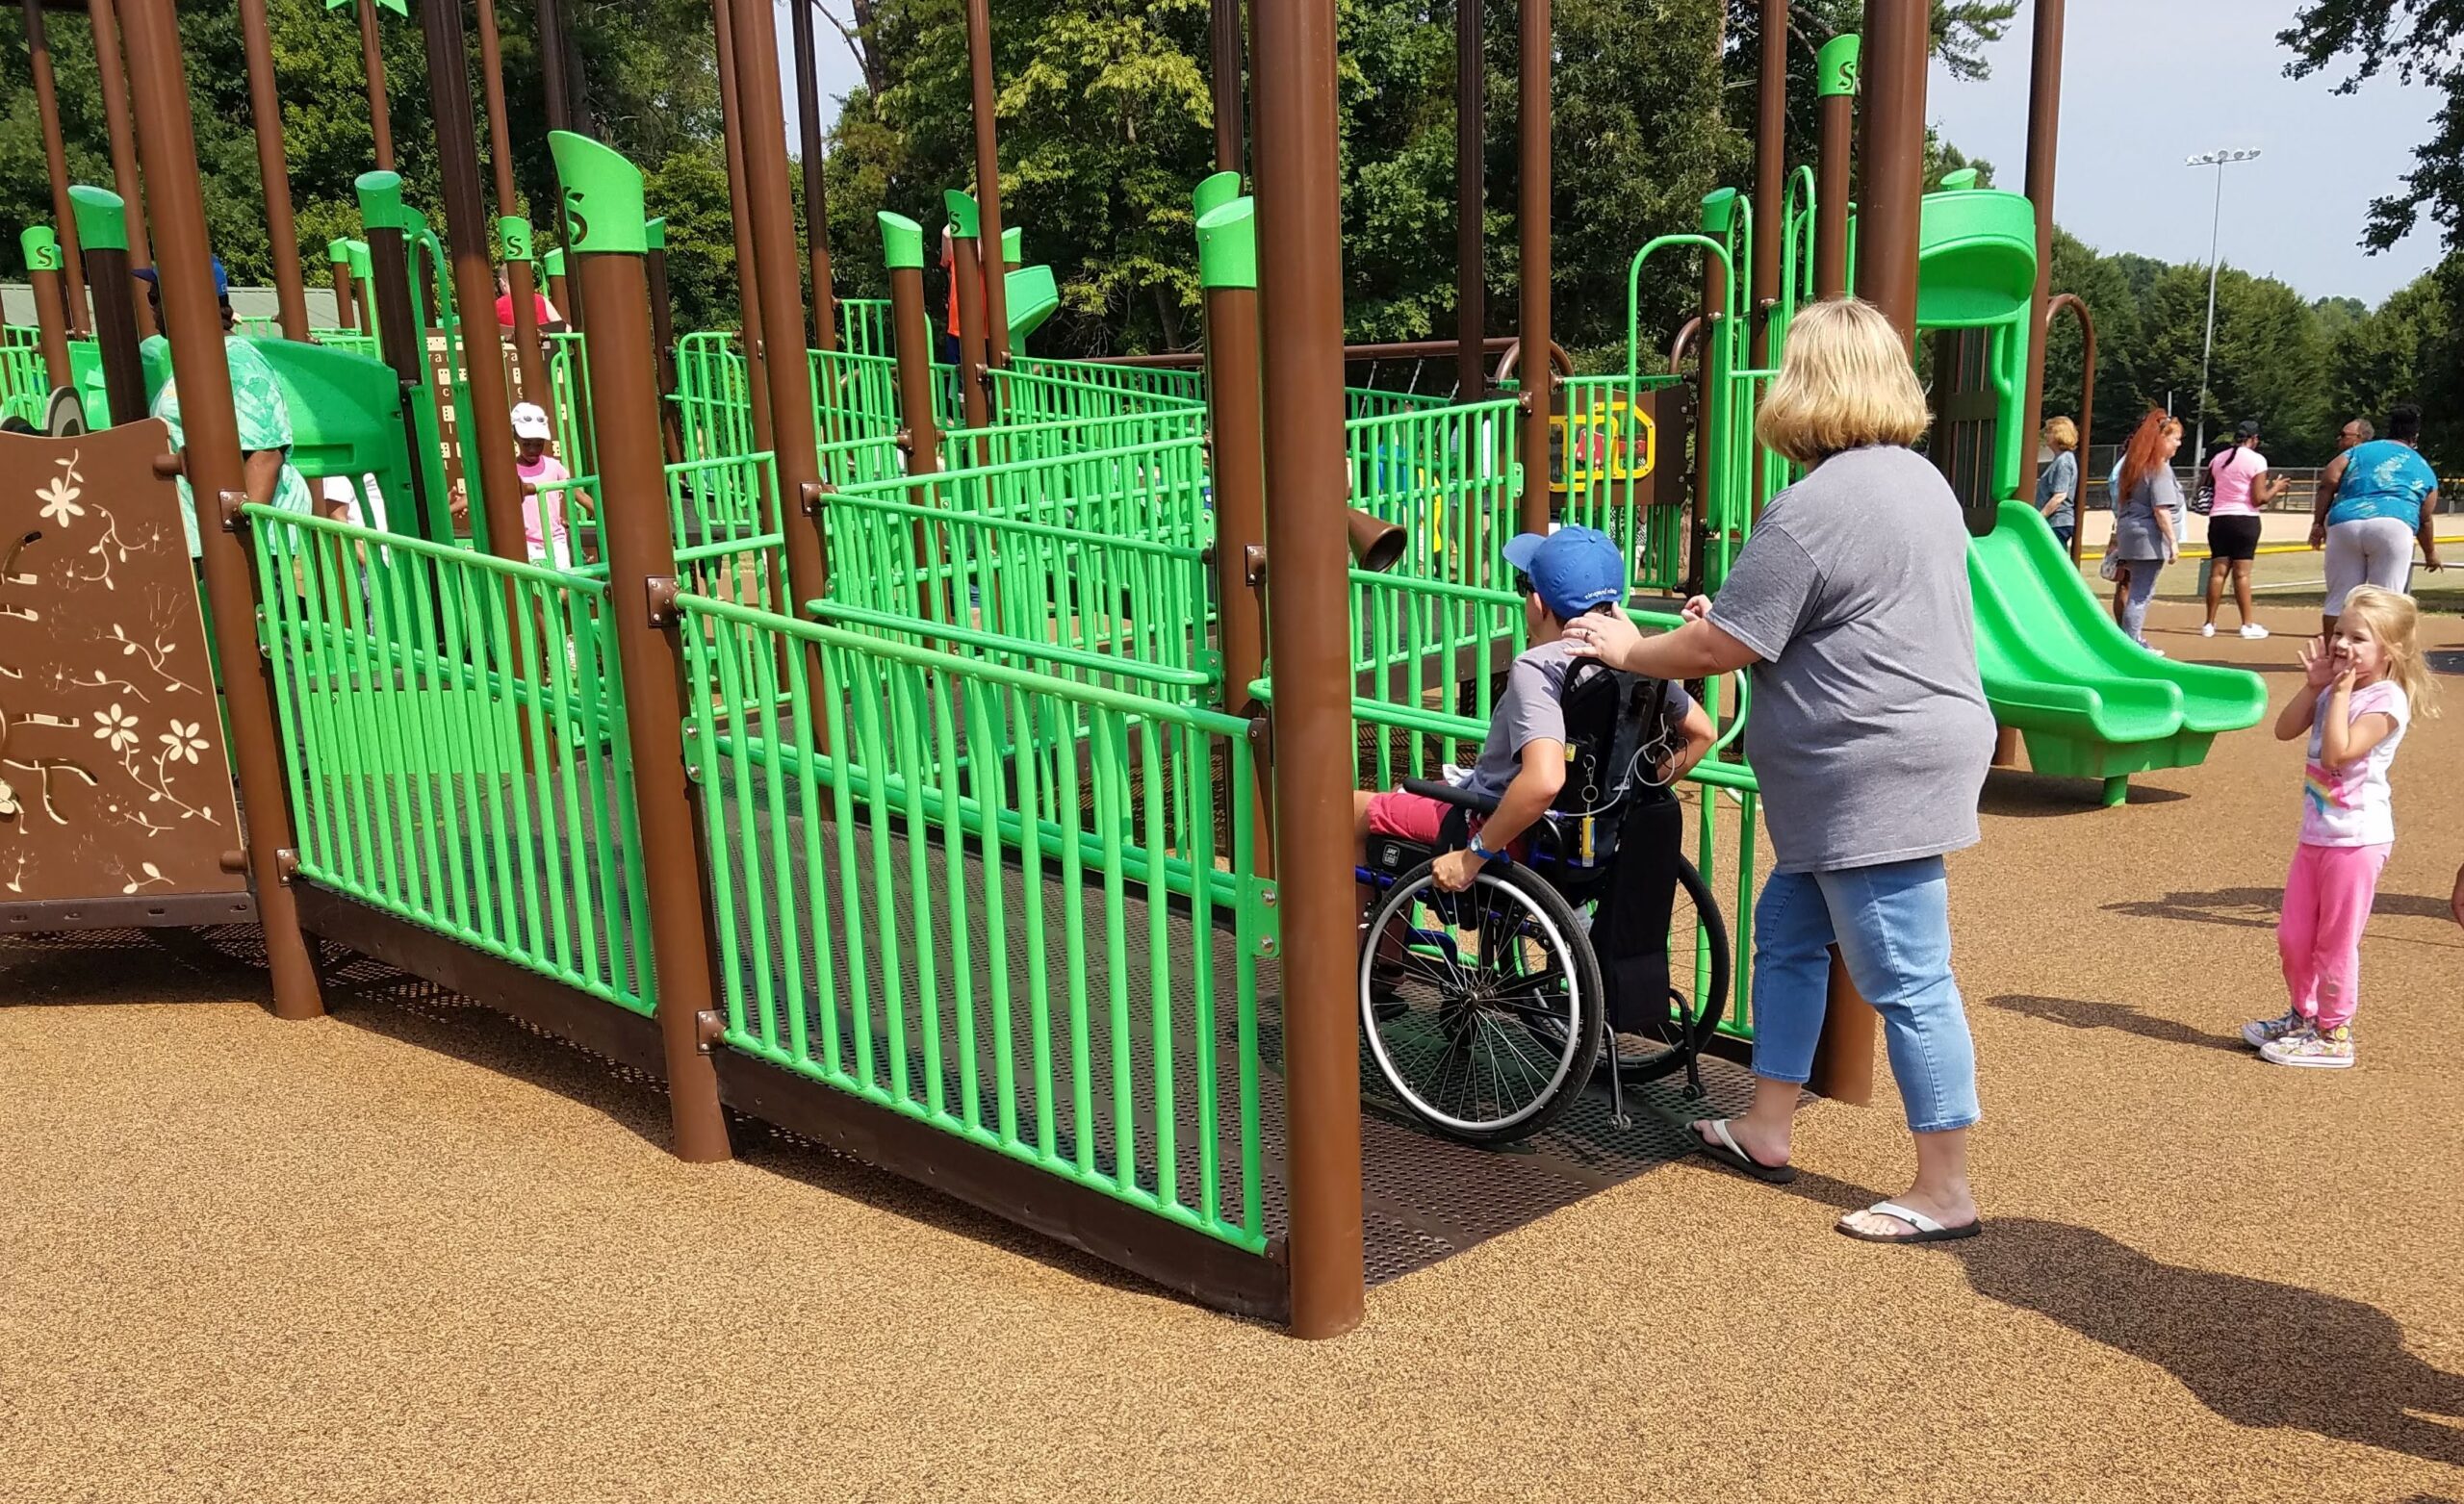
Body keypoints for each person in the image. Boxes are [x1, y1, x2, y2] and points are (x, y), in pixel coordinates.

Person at [1563, 297, 1995, 1246]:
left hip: (1869, 768)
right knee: (1787, 932)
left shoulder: (1815, 504)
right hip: (1892, 753)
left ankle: (1944, 1188)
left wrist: (1631, 647)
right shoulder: (1917, 482)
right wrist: (1731, 624)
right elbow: (1832, 619)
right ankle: (1765, 1125)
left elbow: (1718, 647)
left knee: (1906, 972)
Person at [1351, 526, 1713, 893]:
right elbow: (1702, 734)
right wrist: (1618, 800)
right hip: (1585, 835)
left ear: (1538, 603)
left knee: (1353, 810)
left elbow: (1544, 780)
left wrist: (1471, 857)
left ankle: (1371, 948)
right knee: (1404, 796)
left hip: (1503, 829)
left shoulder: (1537, 666)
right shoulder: (1638, 657)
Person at [2243, 586, 2433, 1068]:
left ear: (2390, 651)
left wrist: (2342, 692)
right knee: (2293, 936)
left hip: (2358, 840)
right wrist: (2314, 688)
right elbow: (2284, 730)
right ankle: (2302, 1016)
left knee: (2335, 940)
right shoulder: (2332, 688)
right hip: (2316, 835)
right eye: (2340, 633)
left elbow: (2336, 754)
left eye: (2358, 638)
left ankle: (2334, 1034)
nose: (2342, 644)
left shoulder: (2387, 701)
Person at [135, 259, 315, 560]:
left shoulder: (237, 361)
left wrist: (239, 547)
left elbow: (266, 454)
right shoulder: (196, 359)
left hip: (247, 547)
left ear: (185, 300)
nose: (151, 308)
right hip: (202, 537)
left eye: (155, 298)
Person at [2314, 403, 2442, 634]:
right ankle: (2379, 665)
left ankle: (2334, 659)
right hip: (2394, 524)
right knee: (2385, 602)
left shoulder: (2358, 451)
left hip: (2346, 522)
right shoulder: (2422, 465)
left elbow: (2328, 481)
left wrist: (2317, 523)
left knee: (2338, 599)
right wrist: (2430, 552)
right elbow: (2425, 519)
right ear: (2416, 436)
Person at [2201, 420, 2284, 639]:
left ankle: (2209, 623)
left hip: (2218, 518)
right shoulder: (2257, 460)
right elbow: (2259, 499)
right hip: (2245, 519)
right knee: (2242, 574)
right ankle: (2247, 625)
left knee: (2217, 572)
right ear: (2254, 438)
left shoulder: (2218, 458)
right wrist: (2276, 487)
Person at [2110, 411, 2184, 653]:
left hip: (2130, 532)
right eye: (2175, 439)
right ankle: (2132, 645)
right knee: (2141, 593)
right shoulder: (2158, 469)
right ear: (2161, 439)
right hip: (2148, 538)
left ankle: (2133, 641)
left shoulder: (2135, 467)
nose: (2178, 444)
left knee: (2136, 591)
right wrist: (2173, 542)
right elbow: (2161, 509)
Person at [511, 401, 591, 568]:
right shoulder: (511, 470)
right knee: (538, 588)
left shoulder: (553, 467)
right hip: (527, 541)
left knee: (563, 586)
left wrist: (599, 511)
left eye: (538, 444)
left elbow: (576, 492)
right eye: (527, 444)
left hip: (555, 538)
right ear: (515, 437)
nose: (533, 449)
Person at [2036, 416, 2080, 553]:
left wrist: (2039, 517)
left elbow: (2059, 496)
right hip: (2054, 522)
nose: (2046, 435)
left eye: (2050, 432)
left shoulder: (2063, 461)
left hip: (2057, 522)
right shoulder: (2059, 459)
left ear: (2059, 434)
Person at [494, 267, 564, 333]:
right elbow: (562, 326)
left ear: (502, 283)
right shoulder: (541, 299)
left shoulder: (496, 305)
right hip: (544, 344)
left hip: (513, 345)